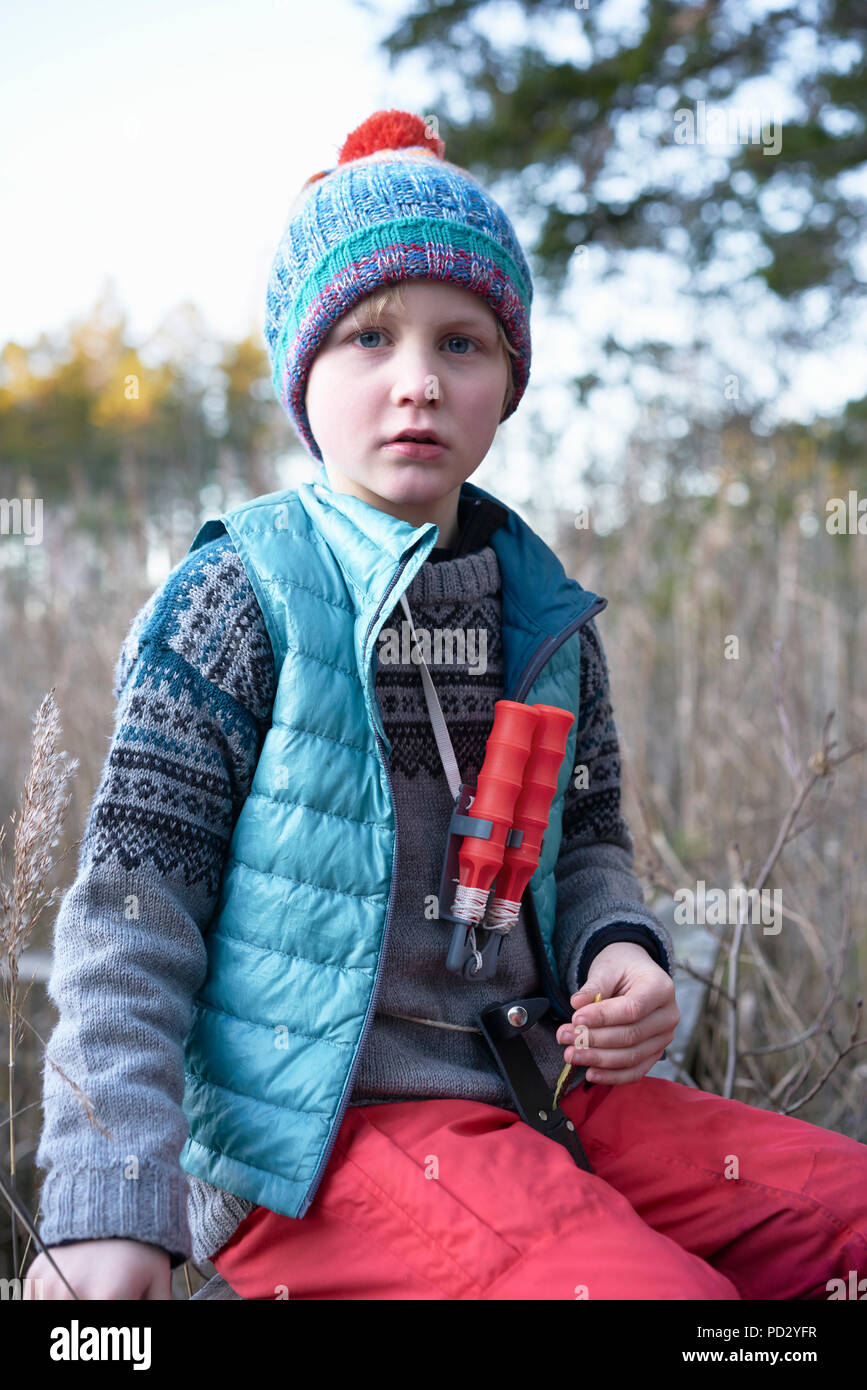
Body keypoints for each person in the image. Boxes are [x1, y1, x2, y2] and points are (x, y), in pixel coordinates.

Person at [30, 110, 867, 1301]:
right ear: (302, 374)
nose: (417, 381)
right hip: (315, 1140)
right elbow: (129, 916)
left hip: (542, 1088)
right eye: (369, 337)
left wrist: (620, 944)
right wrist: (107, 1204)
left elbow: (588, 846)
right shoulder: (238, 596)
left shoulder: (544, 616)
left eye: (462, 343)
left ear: (508, 381)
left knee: (846, 1222)